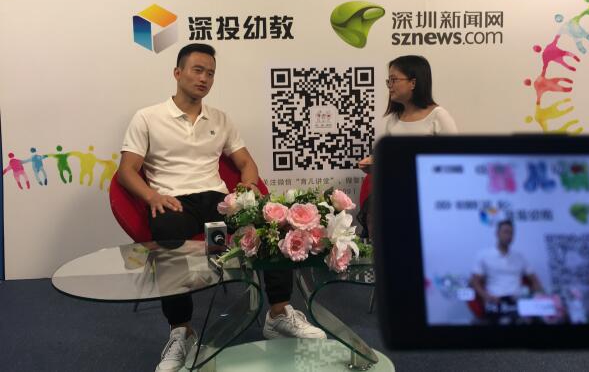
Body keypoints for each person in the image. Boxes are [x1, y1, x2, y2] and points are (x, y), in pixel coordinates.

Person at [117, 43, 325, 372]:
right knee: (167, 232)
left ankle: (278, 313)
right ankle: (181, 331)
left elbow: (246, 163)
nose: (204, 78)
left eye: (210, 73)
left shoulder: (221, 119)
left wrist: (248, 185)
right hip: (174, 200)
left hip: (217, 199)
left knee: (273, 224)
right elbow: (126, 171)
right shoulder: (148, 117)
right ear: (177, 73)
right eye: (197, 70)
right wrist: (152, 196)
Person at [357, 55, 458, 237]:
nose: (390, 86)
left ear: (413, 83)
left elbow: (456, 161)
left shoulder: (438, 116)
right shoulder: (392, 121)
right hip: (398, 201)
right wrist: (375, 165)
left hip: (432, 202)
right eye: (388, 81)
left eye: (394, 80)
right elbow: (390, 163)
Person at [470, 220, 544, 324]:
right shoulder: (484, 255)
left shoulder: (519, 256)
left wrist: (537, 295)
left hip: (518, 300)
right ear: (497, 234)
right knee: (506, 321)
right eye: (505, 232)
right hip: (496, 300)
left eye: (511, 233)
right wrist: (485, 296)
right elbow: (474, 282)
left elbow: (534, 279)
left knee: (541, 318)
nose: (508, 236)